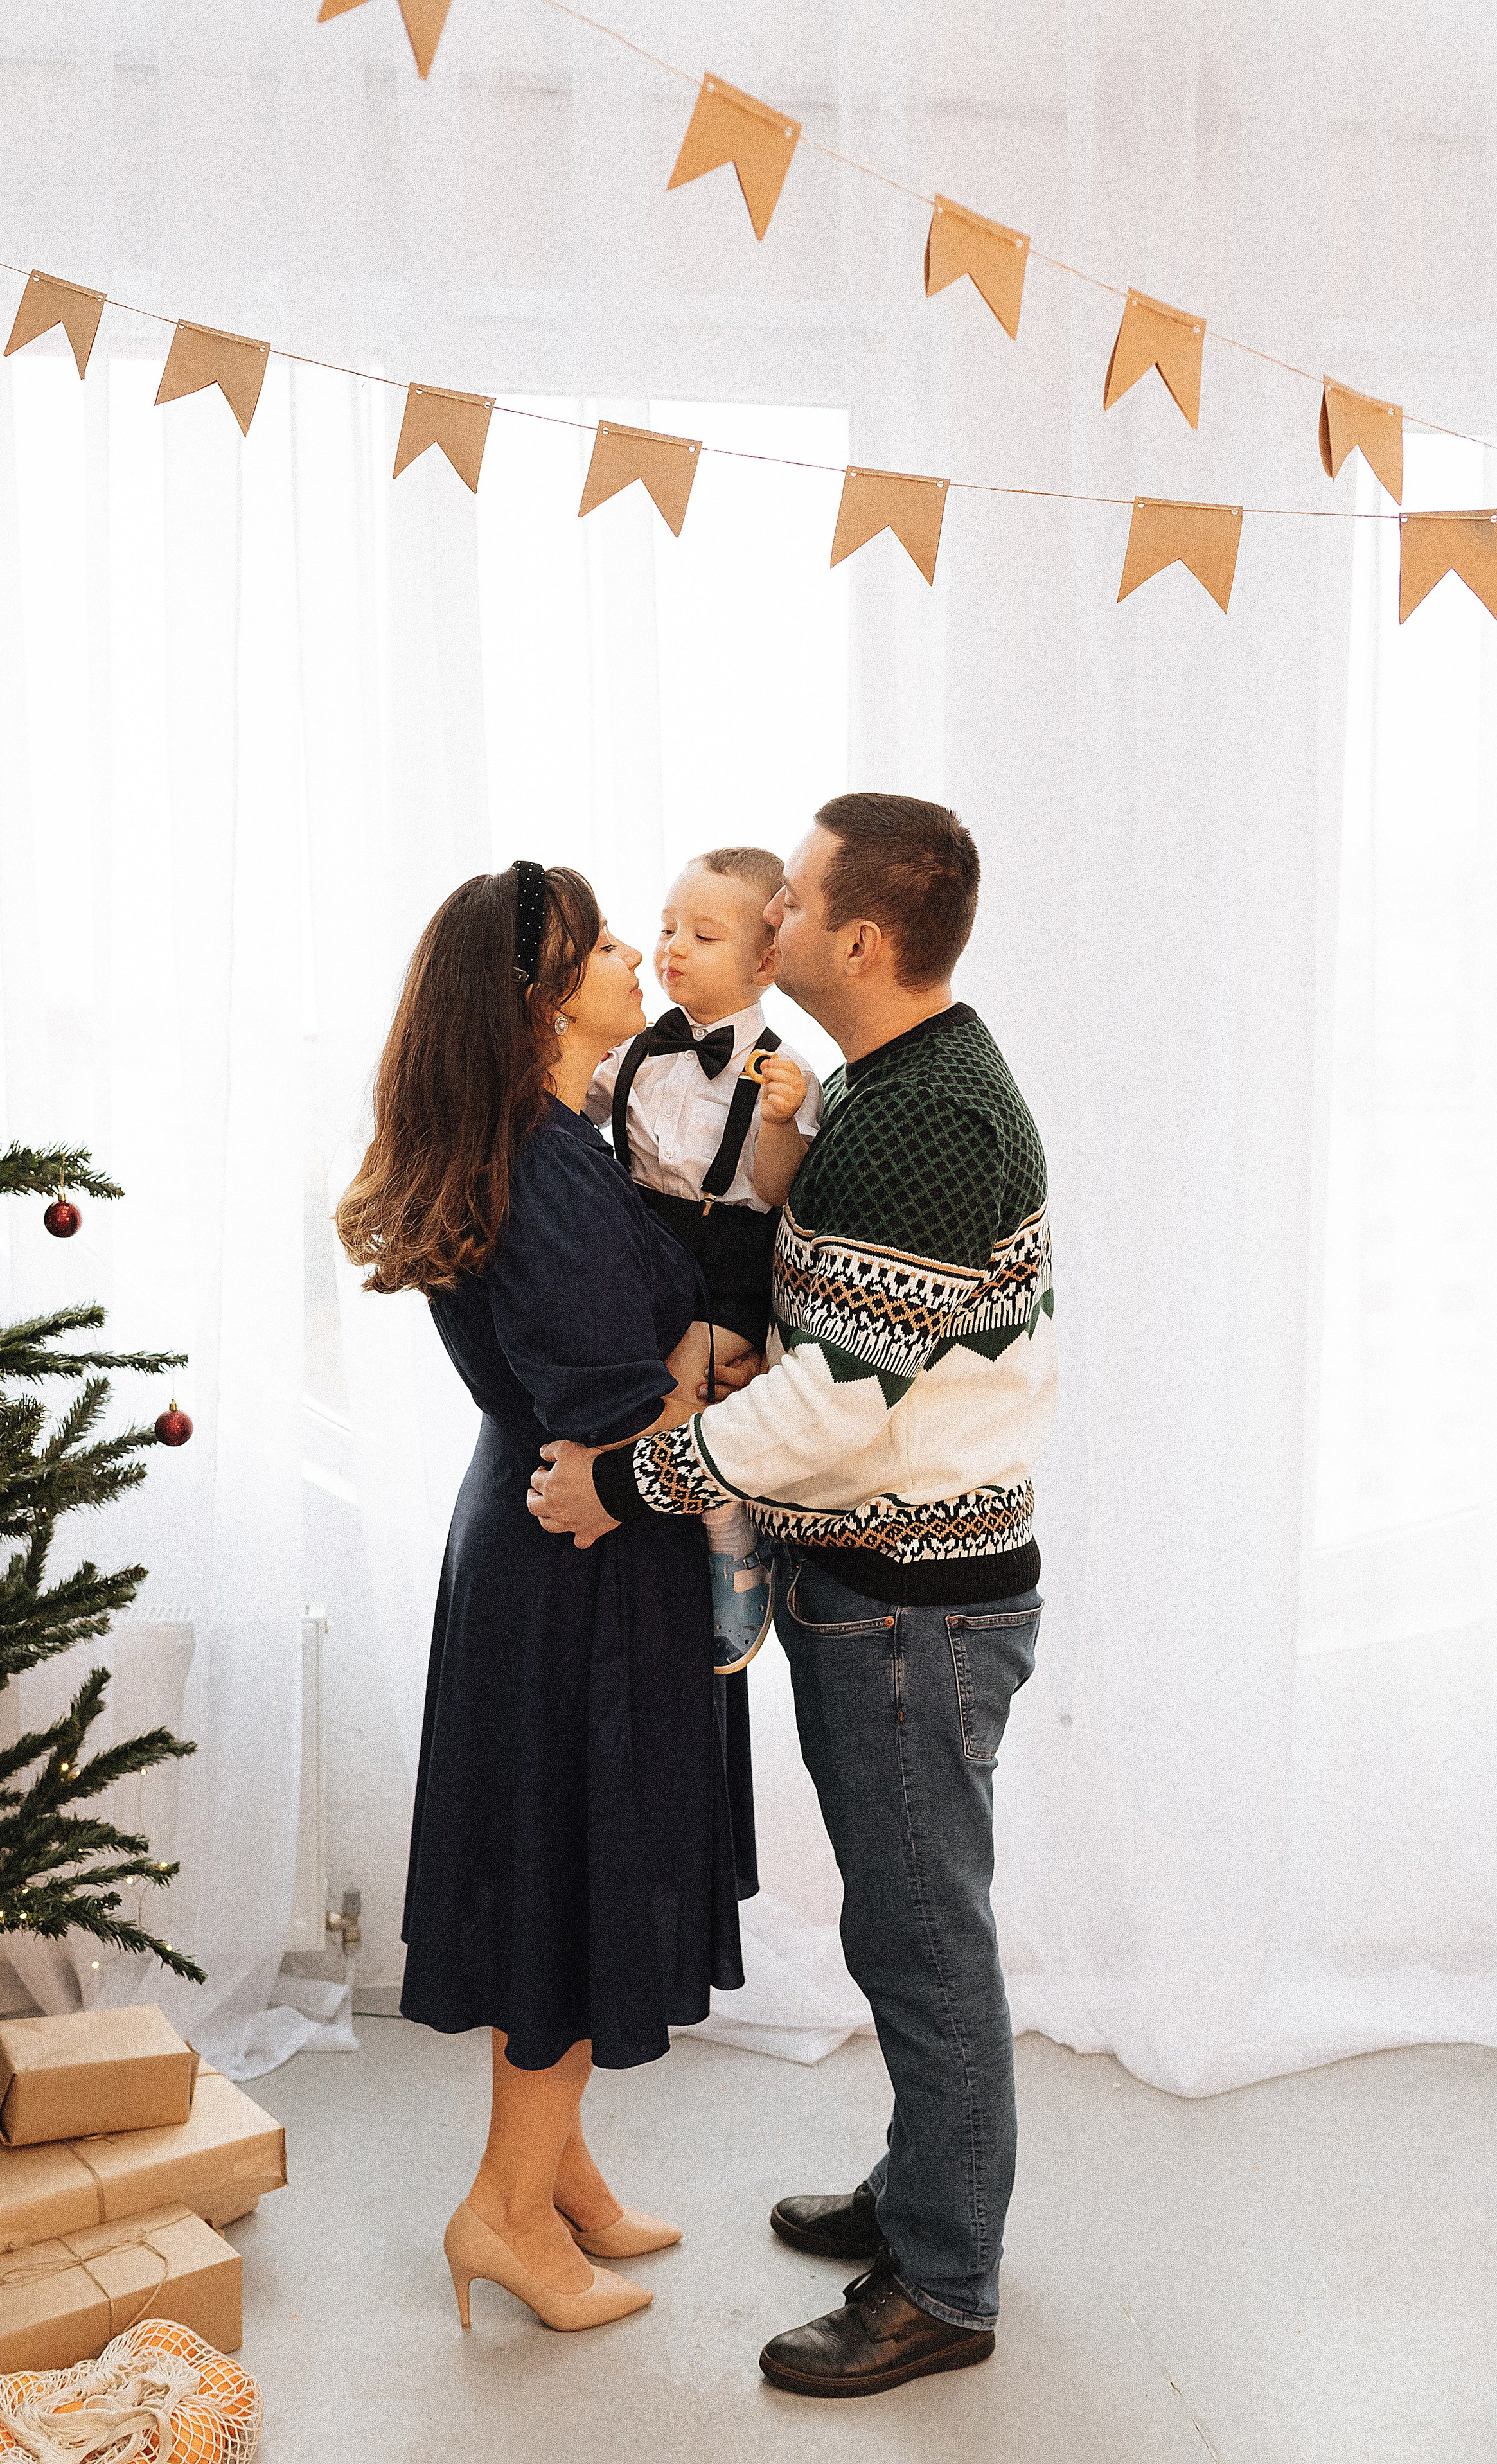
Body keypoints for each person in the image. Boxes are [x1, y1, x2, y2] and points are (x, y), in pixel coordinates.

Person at [529, 793, 1057, 2397]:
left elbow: (835, 1402)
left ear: (857, 937)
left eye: (795, 897)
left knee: (920, 1932)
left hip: (917, 1597)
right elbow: (813, 1313)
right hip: (878, 1578)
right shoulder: (878, 1091)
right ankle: (920, 2196)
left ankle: (944, 2281)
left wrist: (625, 1478)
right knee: (907, 1913)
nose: (767, 923)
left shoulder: (923, 1115)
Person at [337, 859, 756, 2335]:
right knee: (576, 1875)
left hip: (543, 1544)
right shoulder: (551, 1156)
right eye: (595, 944)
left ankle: (558, 2168)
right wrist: (722, 1370)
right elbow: (614, 1399)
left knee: (559, 1861)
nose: (636, 952)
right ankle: (503, 2211)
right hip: (578, 1557)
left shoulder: (558, 1134)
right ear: (536, 995)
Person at [584, 847, 822, 1671]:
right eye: (666, 928)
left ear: (765, 959)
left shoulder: (783, 1072)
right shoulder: (637, 1054)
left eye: (703, 935)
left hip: (726, 1256)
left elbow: (776, 1185)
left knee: (687, 1385)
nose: (672, 948)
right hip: (644, 1244)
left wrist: (786, 1121)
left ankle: (733, 1536)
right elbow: (569, 1090)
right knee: (631, 1387)